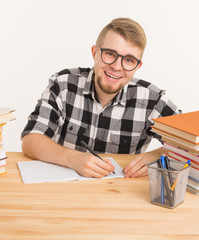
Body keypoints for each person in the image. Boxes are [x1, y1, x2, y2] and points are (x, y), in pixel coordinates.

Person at [21, 18, 180, 178]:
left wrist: (158, 156)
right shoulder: (63, 85)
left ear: (137, 67)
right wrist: (73, 159)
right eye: (110, 54)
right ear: (94, 53)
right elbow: (31, 140)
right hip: (65, 192)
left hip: (122, 194)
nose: (117, 67)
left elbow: (195, 144)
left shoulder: (152, 101)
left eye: (129, 60)